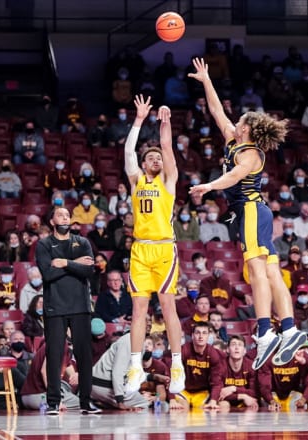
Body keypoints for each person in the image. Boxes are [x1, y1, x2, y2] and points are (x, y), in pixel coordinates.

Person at [188, 57, 306, 371]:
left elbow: (232, 178)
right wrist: (206, 80)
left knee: (256, 272)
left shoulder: (251, 153)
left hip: (252, 211)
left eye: (240, 120)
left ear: (248, 128)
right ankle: (290, 328)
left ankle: (266, 331)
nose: (235, 121)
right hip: (256, 213)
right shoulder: (233, 141)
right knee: (270, 273)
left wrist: (208, 186)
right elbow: (216, 111)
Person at [122, 95, 185, 395]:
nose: (157, 159)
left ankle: (176, 364)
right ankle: (135, 366)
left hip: (164, 249)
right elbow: (128, 151)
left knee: (168, 307)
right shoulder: (136, 181)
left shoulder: (168, 181)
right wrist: (138, 120)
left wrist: (165, 123)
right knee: (138, 310)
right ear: (145, 164)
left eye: (159, 157)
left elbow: (169, 148)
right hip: (140, 250)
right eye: (152, 157)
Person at [35, 206, 100, 415]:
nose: (65, 217)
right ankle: (53, 402)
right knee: (54, 355)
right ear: (52, 221)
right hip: (55, 307)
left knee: (84, 355)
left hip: (80, 306)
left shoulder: (82, 242)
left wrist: (64, 263)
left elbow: (89, 270)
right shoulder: (44, 244)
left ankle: (86, 401)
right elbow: (47, 274)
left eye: (67, 215)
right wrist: (75, 265)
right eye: (60, 215)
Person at [91, 333, 150, 411]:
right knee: (143, 403)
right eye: (146, 320)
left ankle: (105, 404)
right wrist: (120, 401)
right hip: (104, 386)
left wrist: (153, 377)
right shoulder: (128, 341)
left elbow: (132, 373)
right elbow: (118, 372)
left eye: (150, 320)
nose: (149, 323)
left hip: (96, 385)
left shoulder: (137, 341)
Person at [215, 335, 259, 412]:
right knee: (223, 405)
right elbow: (218, 393)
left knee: (254, 404)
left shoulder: (251, 366)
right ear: (227, 349)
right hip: (227, 400)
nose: (236, 348)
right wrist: (242, 396)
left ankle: (249, 424)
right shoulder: (220, 366)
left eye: (240, 345)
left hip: (247, 400)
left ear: (244, 350)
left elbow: (255, 392)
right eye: (233, 344)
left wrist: (234, 389)